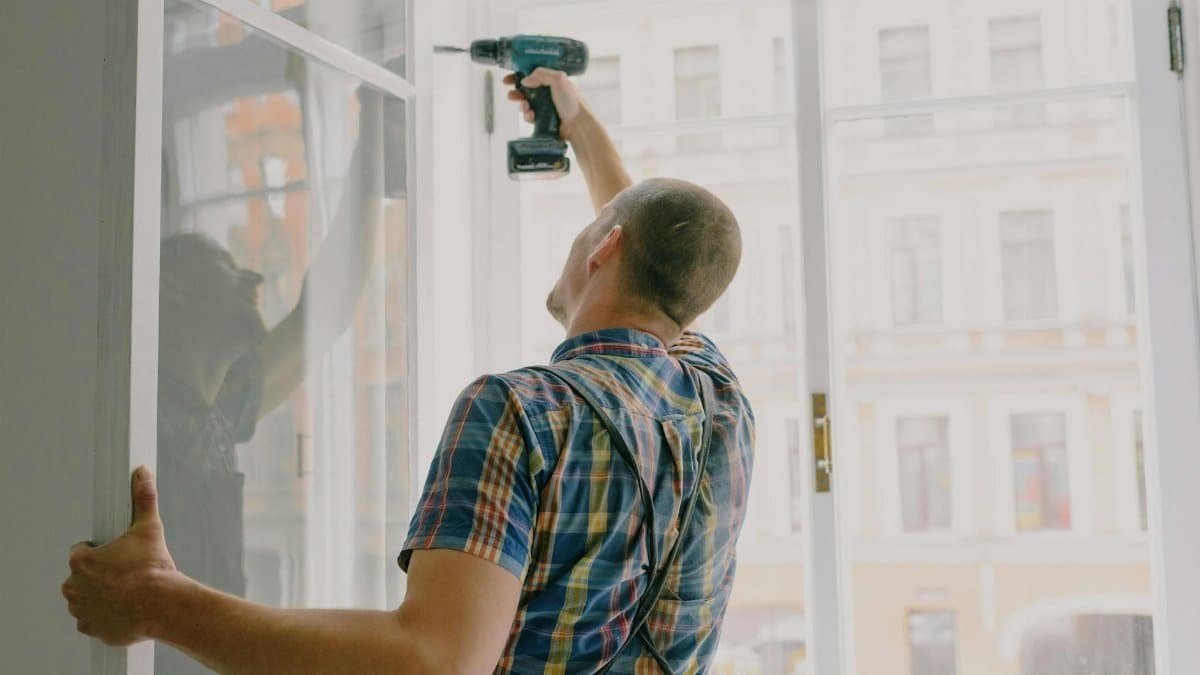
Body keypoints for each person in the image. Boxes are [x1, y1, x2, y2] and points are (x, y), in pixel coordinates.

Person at [63, 67, 754, 674]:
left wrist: (156, 602)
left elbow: (433, 662)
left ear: (604, 248)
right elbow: (668, 267)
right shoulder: (721, 404)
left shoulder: (521, 412)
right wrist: (575, 124)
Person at [153, 51, 384, 674]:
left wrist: (372, 153)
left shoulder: (218, 411)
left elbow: (324, 312)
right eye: (226, 265)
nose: (253, 274)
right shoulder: (138, 418)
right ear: (172, 285)